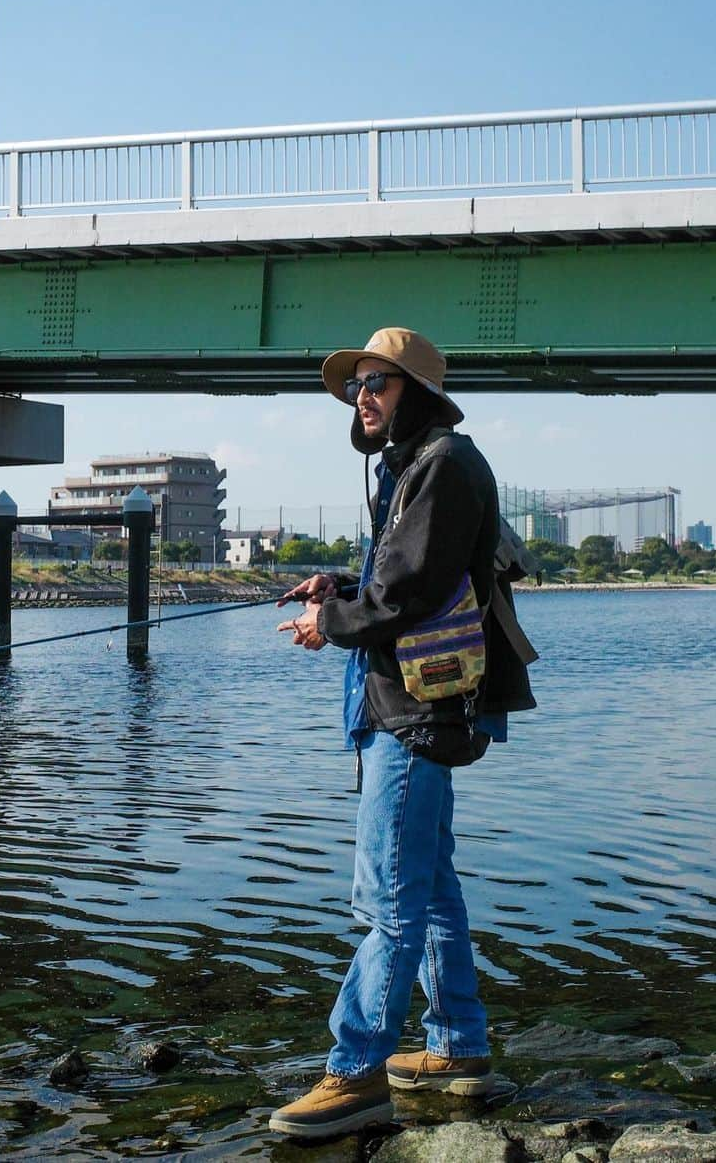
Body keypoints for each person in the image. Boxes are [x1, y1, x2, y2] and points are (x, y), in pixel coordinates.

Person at [268, 326, 536, 1141]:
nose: (362, 397)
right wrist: (340, 584)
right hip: (409, 704)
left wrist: (331, 619)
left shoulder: (444, 464)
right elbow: (402, 578)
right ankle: (457, 1046)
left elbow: (408, 595)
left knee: (388, 897)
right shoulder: (420, 465)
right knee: (429, 881)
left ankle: (356, 1072)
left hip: (416, 713)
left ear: (414, 389)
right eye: (357, 387)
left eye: (377, 382)